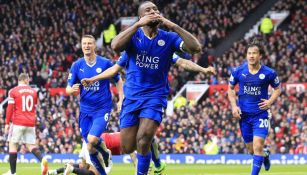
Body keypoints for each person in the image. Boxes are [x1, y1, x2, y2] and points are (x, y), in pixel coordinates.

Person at [81, 1, 215, 174]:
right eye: (148, 11)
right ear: (141, 17)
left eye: (156, 10)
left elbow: (194, 49)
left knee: (144, 139)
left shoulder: (168, 38)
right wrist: (93, 79)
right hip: (132, 98)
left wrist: (173, 26)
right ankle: (155, 159)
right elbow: (115, 50)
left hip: (155, 97)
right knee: (128, 146)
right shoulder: (132, 39)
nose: (153, 12)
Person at [66, 35, 124, 175]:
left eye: (89, 43)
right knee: (90, 147)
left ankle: (106, 153)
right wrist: (71, 90)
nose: (86, 46)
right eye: (84, 43)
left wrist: (121, 99)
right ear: (81, 46)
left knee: (92, 139)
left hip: (102, 109)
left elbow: (118, 79)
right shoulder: (77, 65)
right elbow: (67, 88)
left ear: (94, 46)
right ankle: (103, 168)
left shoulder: (105, 63)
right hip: (85, 111)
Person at [227, 39, 281, 175]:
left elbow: (278, 89)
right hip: (244, 116)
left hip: (260, 114)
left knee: (257, 146)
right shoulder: (239, 71)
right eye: (249, 53)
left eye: (254, 53)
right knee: (252, 150)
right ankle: (266, 154)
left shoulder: (269, 73)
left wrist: (270, 102)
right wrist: (234, 106)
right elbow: (230, 89)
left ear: (260, 56)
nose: (251, 56)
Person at [47, 132, 165, 175]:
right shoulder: (132, 141)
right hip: (100, 145)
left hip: (94, 139)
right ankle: (71, 170)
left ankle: (54, 172)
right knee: (95, 173)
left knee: (84, 166)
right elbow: (135, 158)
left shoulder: (130, 136)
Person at [3, 73, 48, 175]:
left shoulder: (13, 91)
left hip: (18, 122)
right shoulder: (33, 92)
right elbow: (34, 108)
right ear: (26, 80)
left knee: (12, 144)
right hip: (30, 123)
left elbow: (9, 109)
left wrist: (6, 123)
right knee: (31, 146)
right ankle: (42, 160)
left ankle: (13, 172)